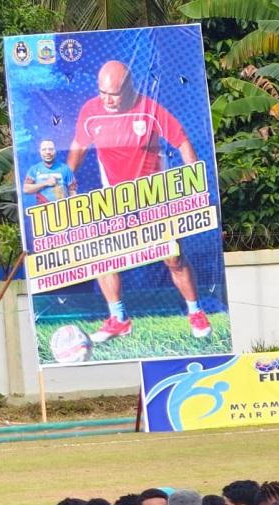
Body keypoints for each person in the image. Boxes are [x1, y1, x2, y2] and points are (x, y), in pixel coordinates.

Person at [67, 60, 212, 343]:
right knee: (102, 259)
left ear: (129, 88)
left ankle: (195, 312)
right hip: (115, 200)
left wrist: (194, 179)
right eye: (103, 93)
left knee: (173, 258)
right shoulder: (91, 111)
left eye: (114, 94)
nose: (107, 99)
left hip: (153, 196)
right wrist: (63, 180)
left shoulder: (149, 109)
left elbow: (181, 141)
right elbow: (78, 147)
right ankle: (118, 319)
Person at [23, 139, 76, 203]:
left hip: (62, 209)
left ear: (55, 150)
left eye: (51, 149)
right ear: (40, 151)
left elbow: (72, 191)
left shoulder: (65, 169)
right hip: (42, 210)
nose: (48, 152)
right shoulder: (34, 169)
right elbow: (26, 189)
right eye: (44, 149)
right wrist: (45, 183)